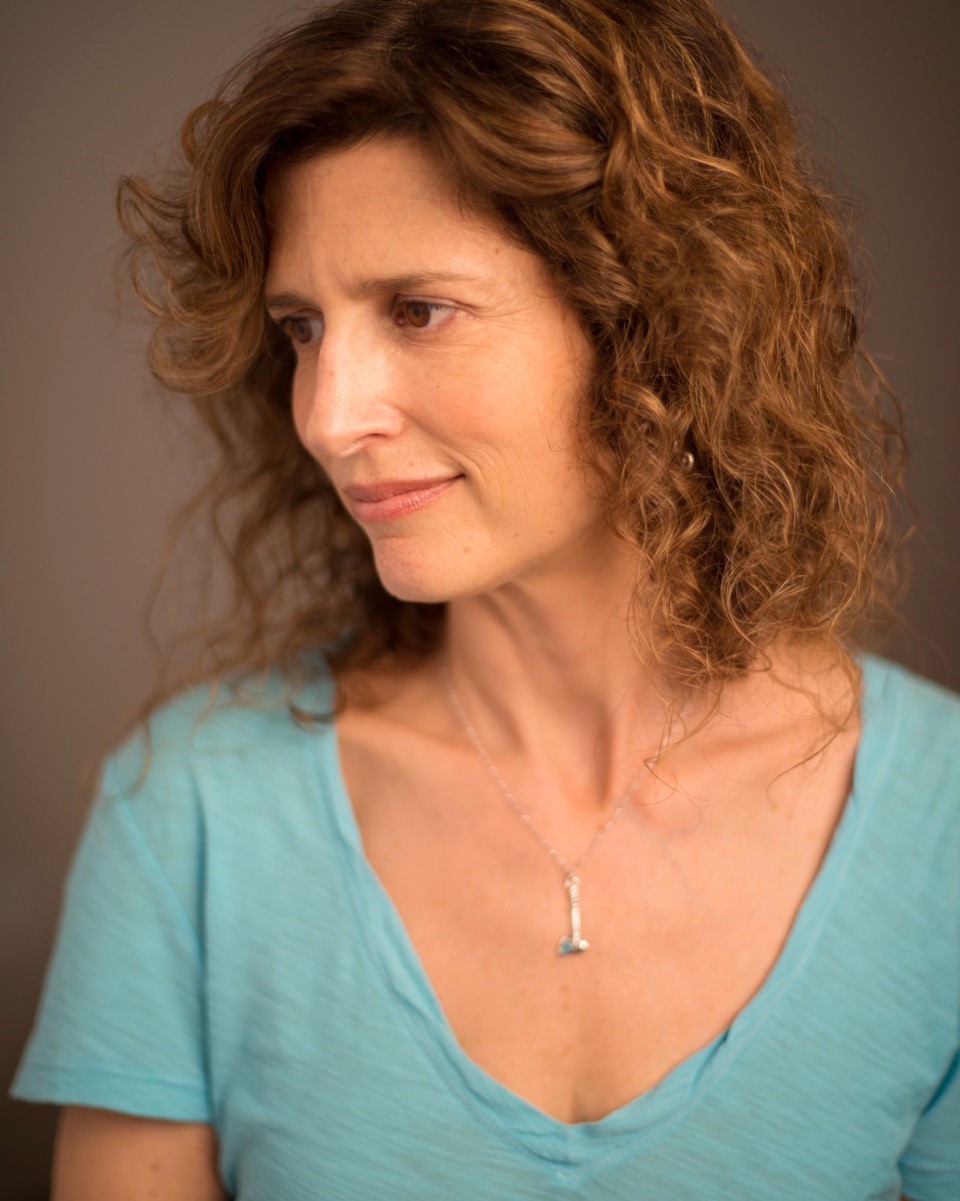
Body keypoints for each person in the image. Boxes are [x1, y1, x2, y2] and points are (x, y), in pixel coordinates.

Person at [10, 0, 959, 1197]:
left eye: (418, 310)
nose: (328, 415)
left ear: (658, 322)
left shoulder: (940, 827)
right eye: (302, 328)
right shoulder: (192, 809)